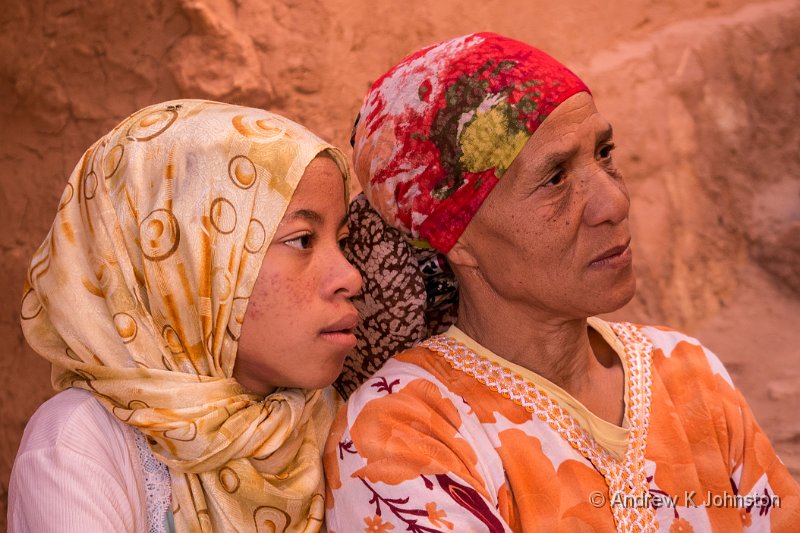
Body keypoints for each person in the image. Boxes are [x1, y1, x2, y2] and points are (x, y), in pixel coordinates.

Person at [325, 33, 800, 532]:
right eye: (554, 179)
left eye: (604, 152)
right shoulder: (403, 435)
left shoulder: (688, 374)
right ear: (455, 237)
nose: (613, 203)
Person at [9, 99, 362, 533]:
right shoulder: (79, 443)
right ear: (188, 264)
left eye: (342, 241)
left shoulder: (339, 422)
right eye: (303, 240)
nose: (350, 276)